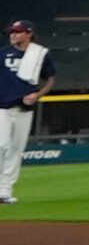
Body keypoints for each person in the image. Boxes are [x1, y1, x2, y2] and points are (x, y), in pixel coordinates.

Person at [1, 17, 55, 204]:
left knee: (16, 149)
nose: (13, 35)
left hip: (25, 109)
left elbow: (50, 79)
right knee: (1, 145)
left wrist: (39, 94)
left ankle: (5, 191)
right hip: (3, 107)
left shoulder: (39, 54)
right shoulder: (3, 53)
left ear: (29, 33)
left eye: (18, 32)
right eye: (12, 32)